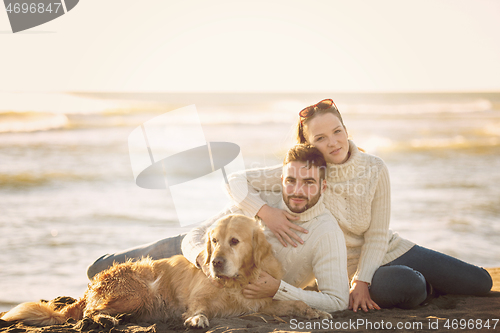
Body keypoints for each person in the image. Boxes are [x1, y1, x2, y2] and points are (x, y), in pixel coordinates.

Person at [223, 98, 493, 312]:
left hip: (389, 250)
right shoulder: (307, 173)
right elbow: (234, 181)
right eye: (320, 138)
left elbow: (376, 235)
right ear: (308, 143)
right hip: (347, 269)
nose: (333, 142)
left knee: (482, 283)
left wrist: (363, 281)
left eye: (337, 131)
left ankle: (425, 280)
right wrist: (266, 213)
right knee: (408, 285)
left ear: (346, 130)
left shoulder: (374, 168)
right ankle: (428, 287)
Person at [88, 145, 350, 313]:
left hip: (218, 267)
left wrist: (278, 289)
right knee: (101, 271)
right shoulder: (264, 199)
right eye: (290, 180)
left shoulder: (327, 233)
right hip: (196, 250)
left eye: (309, 183)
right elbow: (195, 235)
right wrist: (207, 259)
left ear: (323, 187)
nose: (297, 191)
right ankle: (98, 270)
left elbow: (339, 301)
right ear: (280, 179)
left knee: (119, 293)